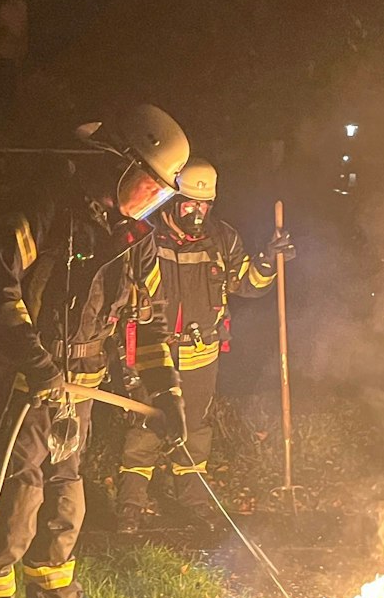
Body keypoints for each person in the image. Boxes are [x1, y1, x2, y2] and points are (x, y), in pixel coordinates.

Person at [0, 104, 190, 598]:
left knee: (67, 507)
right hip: (26, 389)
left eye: (156, 196)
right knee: (17, 509)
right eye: (143, 187)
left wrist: (169, 392)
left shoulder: (135, 239)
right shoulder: (45, 209)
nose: (145, 204)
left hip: (80, 394)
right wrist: (37, 365)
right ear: (112, 164)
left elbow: (152, 323)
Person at [115, 157, 295, 531]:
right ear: (171, 199)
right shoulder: (146, 236)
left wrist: (267, 261)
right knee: (144, 425)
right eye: (189, 204)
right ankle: (131, 504)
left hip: (201, 352)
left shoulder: (223, 238)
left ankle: (194, 500)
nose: (196, 213)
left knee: (194, 428)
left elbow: (246, 284)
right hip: (153, 353)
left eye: (204, 205)